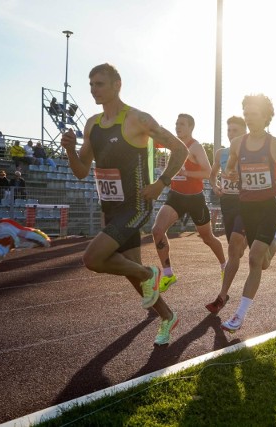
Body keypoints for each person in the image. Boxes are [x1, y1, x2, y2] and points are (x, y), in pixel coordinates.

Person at [60, 63, 188, 346]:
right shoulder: (92, 124)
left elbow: (181, 149)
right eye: (91, 84)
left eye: (100, 84)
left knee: (92, 259)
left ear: (117, 85)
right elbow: (81, 170)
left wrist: (161, 182)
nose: (94, 89)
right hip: (111, 206)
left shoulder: (138, 119)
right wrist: (70, 149)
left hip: (136, 205)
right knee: (131, 271)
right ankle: (167, 316)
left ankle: (150, 274)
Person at [219, 94, 276, 332]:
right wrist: (231, 174)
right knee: (264, 263)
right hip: (247, 209)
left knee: (254, 259)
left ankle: (238, 316)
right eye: (245, 114)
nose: (248, 118)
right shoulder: (237, 144)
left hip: (268, 208)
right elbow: (229, 167)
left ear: (266, 116)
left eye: (253, 114)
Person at [151, 113, 226, 292]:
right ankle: (168, 274)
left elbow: (208, 173)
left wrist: (187, 174)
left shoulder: (196, 147)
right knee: (157, 230)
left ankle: (225, 266)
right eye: (176, 124)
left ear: (191, 127)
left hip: (194, 198)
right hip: (176, 196)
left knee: (207, 237)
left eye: (182, 124)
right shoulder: (174, 145)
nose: (178, 127)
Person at [205, 115, 248, 314]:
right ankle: (248, 238)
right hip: (227, 202)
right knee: (237, 252)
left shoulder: (249, 153)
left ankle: (222, 295)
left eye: (235, 131)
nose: (231, 134)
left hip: (246, 203)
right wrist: (215, 187)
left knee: (233, 249)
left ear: (244, 133)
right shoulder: (220, 153)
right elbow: (212, 175)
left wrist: (241, 178)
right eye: (229, 130)